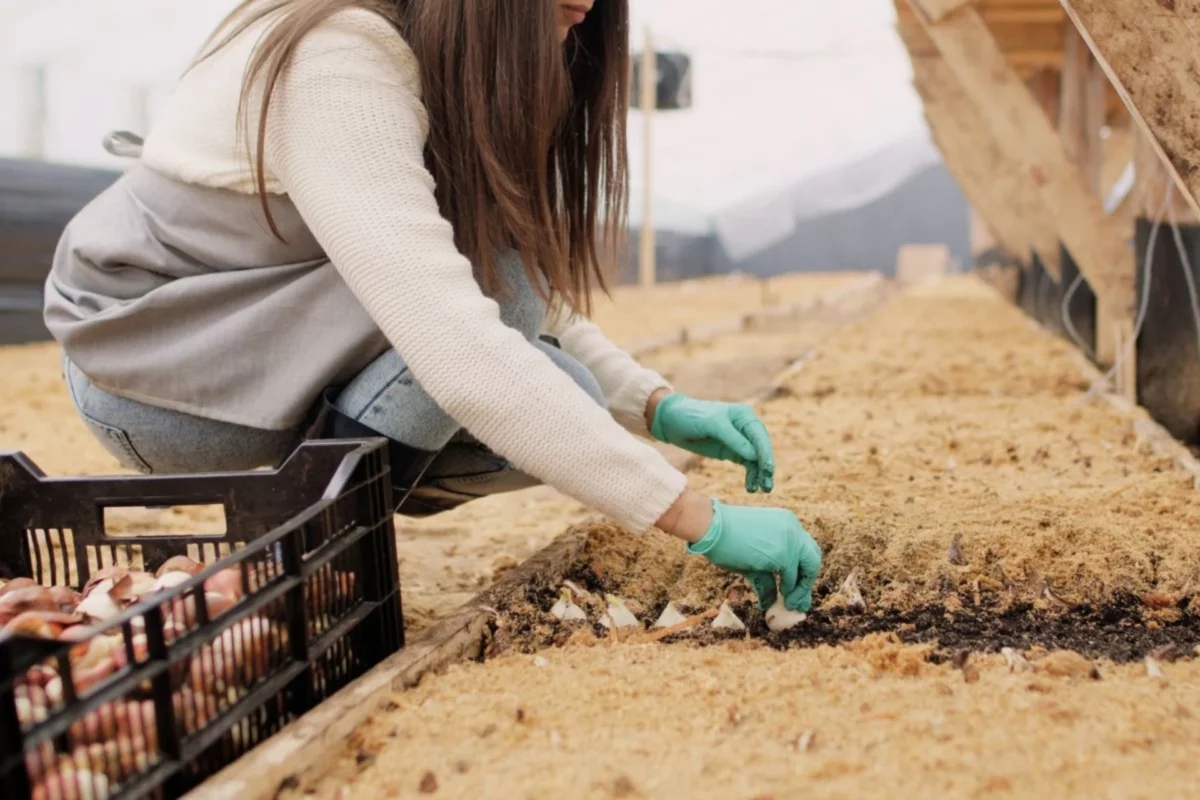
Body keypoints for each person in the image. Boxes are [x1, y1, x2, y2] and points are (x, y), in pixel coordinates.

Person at [43, 0, 822, 613]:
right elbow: (460, 333)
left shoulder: (419, 50)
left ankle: (322, 527)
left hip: (238, 347)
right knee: (499, 322)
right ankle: (316, 551)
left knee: (561, 386)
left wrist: (656, 405)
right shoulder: (340, 58)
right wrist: (696, 520)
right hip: (151, 384)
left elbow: (485, 289)